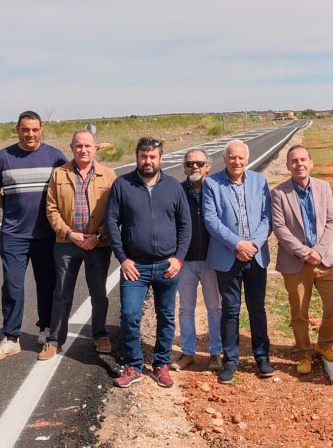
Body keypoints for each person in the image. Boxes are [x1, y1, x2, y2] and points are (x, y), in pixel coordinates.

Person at [104, 137, 191, 388]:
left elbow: (185, 226)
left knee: (165, 316)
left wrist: (178, 259)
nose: (148, 161)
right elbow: (111, 223)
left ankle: (161, 364)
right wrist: (123, 259)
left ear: (160, 159)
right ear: (137, 157)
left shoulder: (174, 187)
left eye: (153, 156)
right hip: (135, 268)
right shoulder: (122, 185)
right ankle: (133, 366)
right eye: (143, 156)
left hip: (167, 266)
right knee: (130, 316)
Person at [0, 110, 67, 362]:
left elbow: (65, 193)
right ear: (17, 130)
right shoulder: (3, 157)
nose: (30, 134)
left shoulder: (55, 157)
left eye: (34, 129)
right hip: (13, 234)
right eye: (25, 129)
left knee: (47, 284)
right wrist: (14, 210)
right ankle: (11, 338)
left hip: (47, 234)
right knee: (12, 285)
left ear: (41, 129)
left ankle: (45, 330)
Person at [38, 130, 117, 360]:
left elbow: (114, 213)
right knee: (62, 293)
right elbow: (51, 209)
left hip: (98, 245)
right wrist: (69, 233)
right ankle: (55, 340)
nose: (83, 150)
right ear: (71, 148)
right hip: (66, 243)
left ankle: (100, 334)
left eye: (88, 146)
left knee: (98, 293)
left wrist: (98, 237)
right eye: (78, 146)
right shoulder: (59, 174)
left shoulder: (109, 175)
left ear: (95, 148)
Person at [202, 140, 273, 384]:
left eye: (241, 157)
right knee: (230, 310)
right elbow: (211, 221)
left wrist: (252, 245)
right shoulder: (212, 183)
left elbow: (266, 218)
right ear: (225, 159)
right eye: (232, 157)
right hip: (227, 257)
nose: (237, 162)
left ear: (247, 158)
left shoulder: (259, 181)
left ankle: (262, 356)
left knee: (257, 308)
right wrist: (237, 245)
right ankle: (231, 359)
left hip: (256, 255)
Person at [271, 144, 333, 376]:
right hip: (295, 262)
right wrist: (304, 252)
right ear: (288, 166)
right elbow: (280, 228)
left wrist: (319, 250)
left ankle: (324, 344)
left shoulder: (324, 187)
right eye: (294, 161)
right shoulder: (279, 193)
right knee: (299, 312)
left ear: (311, 163)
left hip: (324, 259)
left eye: (303, 160)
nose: (299, 164)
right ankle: (304, 352)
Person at [172, 149, 223, 372]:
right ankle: (188, 352)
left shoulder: (216, 190)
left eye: (199, 163)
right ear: (184, 167)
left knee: (215, 308)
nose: (195, 167)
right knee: (185, 308)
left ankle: (215, 353)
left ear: (208, 166)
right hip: (185, 261)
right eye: (190, 163)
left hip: (212, 260)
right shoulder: (176, 191)